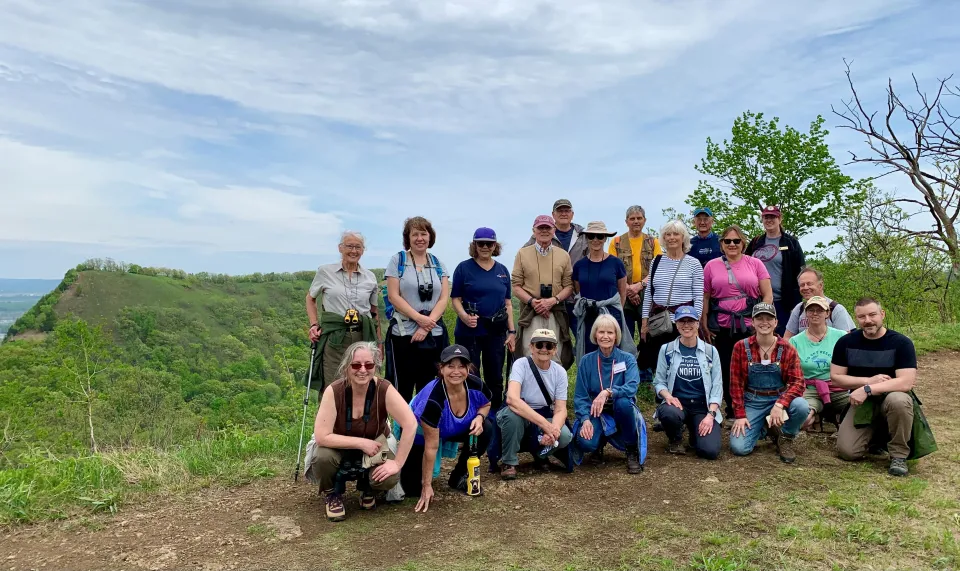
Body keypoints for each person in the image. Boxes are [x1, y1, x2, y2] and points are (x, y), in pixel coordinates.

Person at [305, 342, 418, 522]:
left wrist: (397, 463)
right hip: (339, 447)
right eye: (356, 365)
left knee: (390, 477)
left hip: (375, 447)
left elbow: (410, 423)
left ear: (376, 367)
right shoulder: (334, 391)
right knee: (322, 457)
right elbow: (322, 436)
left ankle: (368, 488)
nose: (362, 370)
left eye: (369, 365)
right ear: (346, 368)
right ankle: (332, 493)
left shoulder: (383, 388)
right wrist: (360, 443)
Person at [831, 298, 925, 477]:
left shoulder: (901, 343)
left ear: (882, 314)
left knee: (898, 400)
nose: (868, 320)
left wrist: (868, 389)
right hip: (862, 403)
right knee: (847, 452)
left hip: (893, 398)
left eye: (872, 314)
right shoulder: (846, 342)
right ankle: (876, 438)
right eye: (862, 316)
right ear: (856, 318)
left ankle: (898, 455)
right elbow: (836, 378)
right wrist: (868, 381)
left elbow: (905, 382)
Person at [400, 344, 494, 512]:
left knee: (486, 428)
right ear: (441, 369)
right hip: (420, 435)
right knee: (411, 490)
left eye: (461, 366)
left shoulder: (476, 385)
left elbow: (486, 403)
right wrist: (427, 485)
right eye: (450, 366)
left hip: (452, 429)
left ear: (468, 368)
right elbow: (431, 446)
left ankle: (459, 476)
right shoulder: (434, 400)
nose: (456, 371)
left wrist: (479, 418)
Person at [701, 225, 773, 421]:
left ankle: (752, 407)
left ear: (743, 243)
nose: (732, 244)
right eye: (727, 241)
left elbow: (767, 295)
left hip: (749, 324)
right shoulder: (711, 266)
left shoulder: (756, 264)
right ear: (721, 244)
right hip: (721, 325)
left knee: (750, 367)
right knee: (725, 367)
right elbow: (706, 297)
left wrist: (761, 319)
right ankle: (732, 409)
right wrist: (703, 322)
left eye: (736, 241)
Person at [728, 303, 809, 463]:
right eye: (759, 318)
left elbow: (798, 383)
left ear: (775, 322)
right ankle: (766, 428)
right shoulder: (741, 347)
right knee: (739, 448)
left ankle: (785, 437)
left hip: (778, 397)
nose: (764, 322)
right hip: (753, 400)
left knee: (801, 406)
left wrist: (780, 405)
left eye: (769, 318)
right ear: (752, 322)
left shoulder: (788, 349)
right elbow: (735, 384)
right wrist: (740, 415)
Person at [306, 231, 382, 391]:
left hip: (363, 337)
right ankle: (330, 416)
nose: (353, 251)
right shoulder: (325, 272)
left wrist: (379, 344)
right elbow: (310, 298)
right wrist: (314, 324)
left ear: (363, 250)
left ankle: (361, 416)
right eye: (349, 246)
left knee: (362, 383)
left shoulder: (370, 277)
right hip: (335, 338)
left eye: (358, 247)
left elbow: (374, 313)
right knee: (334, 385)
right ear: (340, 248)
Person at [385, 216, 451, 402]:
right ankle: (401, 429)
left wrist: (425, 326)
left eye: (424, 233)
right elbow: (393, 296)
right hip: (404, 334)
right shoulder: (398, 261)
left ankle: (425, 430)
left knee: (430, 389)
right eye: (415, 234)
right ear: (408, 238)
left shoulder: (438, 264)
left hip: (433, 335)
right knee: (402, 389)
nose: (420, 238)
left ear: (430, 237)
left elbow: (443, 298)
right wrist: (419, 318)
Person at [451, 227, 516, 411]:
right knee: (469, 373)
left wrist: (511, 332)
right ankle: (469, 412)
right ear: (475, 245)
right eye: (481, 243)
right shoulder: (464, 268)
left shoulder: (502, 270)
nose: (485, 247)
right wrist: (463, 316)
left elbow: (508, 303)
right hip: (469, 330)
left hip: (496, 330)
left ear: (495, 245)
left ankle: (494, 415)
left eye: (489, 243)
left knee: (495, 374)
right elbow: (455, 298)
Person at [571, 315, 644, 474]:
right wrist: (584, 420)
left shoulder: (628, 359)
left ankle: (631, 450)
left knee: (623, 402)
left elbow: (632, 387)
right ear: (595, 335)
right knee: (586, 443)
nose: (605, 336)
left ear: (616, 336)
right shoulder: (586, 361)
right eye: (601, 332)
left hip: (620, 408)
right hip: (596, 410)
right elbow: (580, 396)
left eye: (610, 332)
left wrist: (608, 392)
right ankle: (598, 444)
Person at [497, 328, 573, 480]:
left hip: (544, 413)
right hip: (520, 412)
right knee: (512, 417)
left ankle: (540, 454)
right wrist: (545, 425)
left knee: (564, 435)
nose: (544, 349)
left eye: (549, 346)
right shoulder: (521, 364)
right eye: (539, 345)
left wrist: (554, 430)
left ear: (555, 349)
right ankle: (509, 462)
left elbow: (560, 409)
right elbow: (512, 399)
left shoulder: (560, 372)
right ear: (531, 347)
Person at [653, 306, 723, 459]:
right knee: (668, 412)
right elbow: (659, 382)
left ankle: (694, 431)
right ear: (676, 324)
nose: (686, 325)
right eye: (682, 321)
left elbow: (717, 387)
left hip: (702, 407)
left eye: (690, 321)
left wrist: (711, 415)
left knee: (709, 451)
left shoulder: (710, 351)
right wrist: (668, 397)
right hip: (678, 404)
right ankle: (675, 438)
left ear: (697, 323)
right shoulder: (667, 350)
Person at [641, 220, 704, 376]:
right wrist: (644, 322)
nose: (671, 237)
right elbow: (649, 293)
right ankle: (661, 393)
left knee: (680, 361)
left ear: (683, 237)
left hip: (683, 320)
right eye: (667, 234)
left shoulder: (694, 263)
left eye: (675, 234)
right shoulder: (656, 261)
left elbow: (698, 296)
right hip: (659, 321)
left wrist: (696, 323)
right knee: (659, 360)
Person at [512, 214, 575, 368]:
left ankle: (556, 391)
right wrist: (533, 302)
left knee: (555, 352)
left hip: (556, 311)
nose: (544, 231)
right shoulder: (522, 253)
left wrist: (553, 300)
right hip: (531, 311)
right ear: (534, 230)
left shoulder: (563, 255)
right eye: (541, 227)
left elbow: (569, 285)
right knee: (530, 352)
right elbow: (516, 286)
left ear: (554, 230)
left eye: (548, 227)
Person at [572, 221, 635, 362]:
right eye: (591, 236)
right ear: (587, 238)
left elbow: (622, 291)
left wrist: (613, 310)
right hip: (588, 314)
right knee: (590, 350)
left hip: (611, 313)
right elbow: (578, 290)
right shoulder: (579, 265)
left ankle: (615, 381)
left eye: (599, 236)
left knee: (613, 350)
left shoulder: (616, 263)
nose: (595, 240)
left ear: (605, 238)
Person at [523, 199, 587, 332]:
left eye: (567, 210)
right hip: (550, 301)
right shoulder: (542, 234)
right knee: (554, 341)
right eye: (560, 210)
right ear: (553, 214)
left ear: (572, 214)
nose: (563, 213)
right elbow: (524, 258)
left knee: (582, 339)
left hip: (577, 298)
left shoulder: (583, 236)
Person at [788, 296, 849, 431]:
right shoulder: (795, 341)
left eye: (819, 310)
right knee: (802, 421)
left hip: (838, 388)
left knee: (858, 409)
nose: (815, 313)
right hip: (810, 389)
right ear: (806, 314)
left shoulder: (841, 336)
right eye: (811, 310)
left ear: (827, 313)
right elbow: (790, 372)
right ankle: (815, 415)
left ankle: (838, 418)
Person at [746, 206, 805, 336]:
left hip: (783, 303)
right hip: (756, 301)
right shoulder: (756, 242)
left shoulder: (791, 242)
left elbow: (801, 272)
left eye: (773, 217)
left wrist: (796, 303)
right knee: (759, 339)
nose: (769, 220)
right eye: (766, 217)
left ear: (780, 219)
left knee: (782, 340)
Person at [609, 205, 662, 343]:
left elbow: (658, 268)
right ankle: (627, 362)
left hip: (647, 292)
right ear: (626, 222)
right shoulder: (616, 242)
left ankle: (647, 363)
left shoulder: (653, 242)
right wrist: (628, 290)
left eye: (639, 218)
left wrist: (639, 286)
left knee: (648, 334)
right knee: (625, 335)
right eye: (632, 218)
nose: (636, 221)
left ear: (645, 220)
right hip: (623, 293)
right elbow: (612, 269)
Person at [783, 267, 855, 340]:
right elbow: (787, 338)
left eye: (809, 284)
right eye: (802, 285)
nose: (805, 288)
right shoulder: (799, 309)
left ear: (820, 285)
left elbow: (845, 341)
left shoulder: (836, 309)